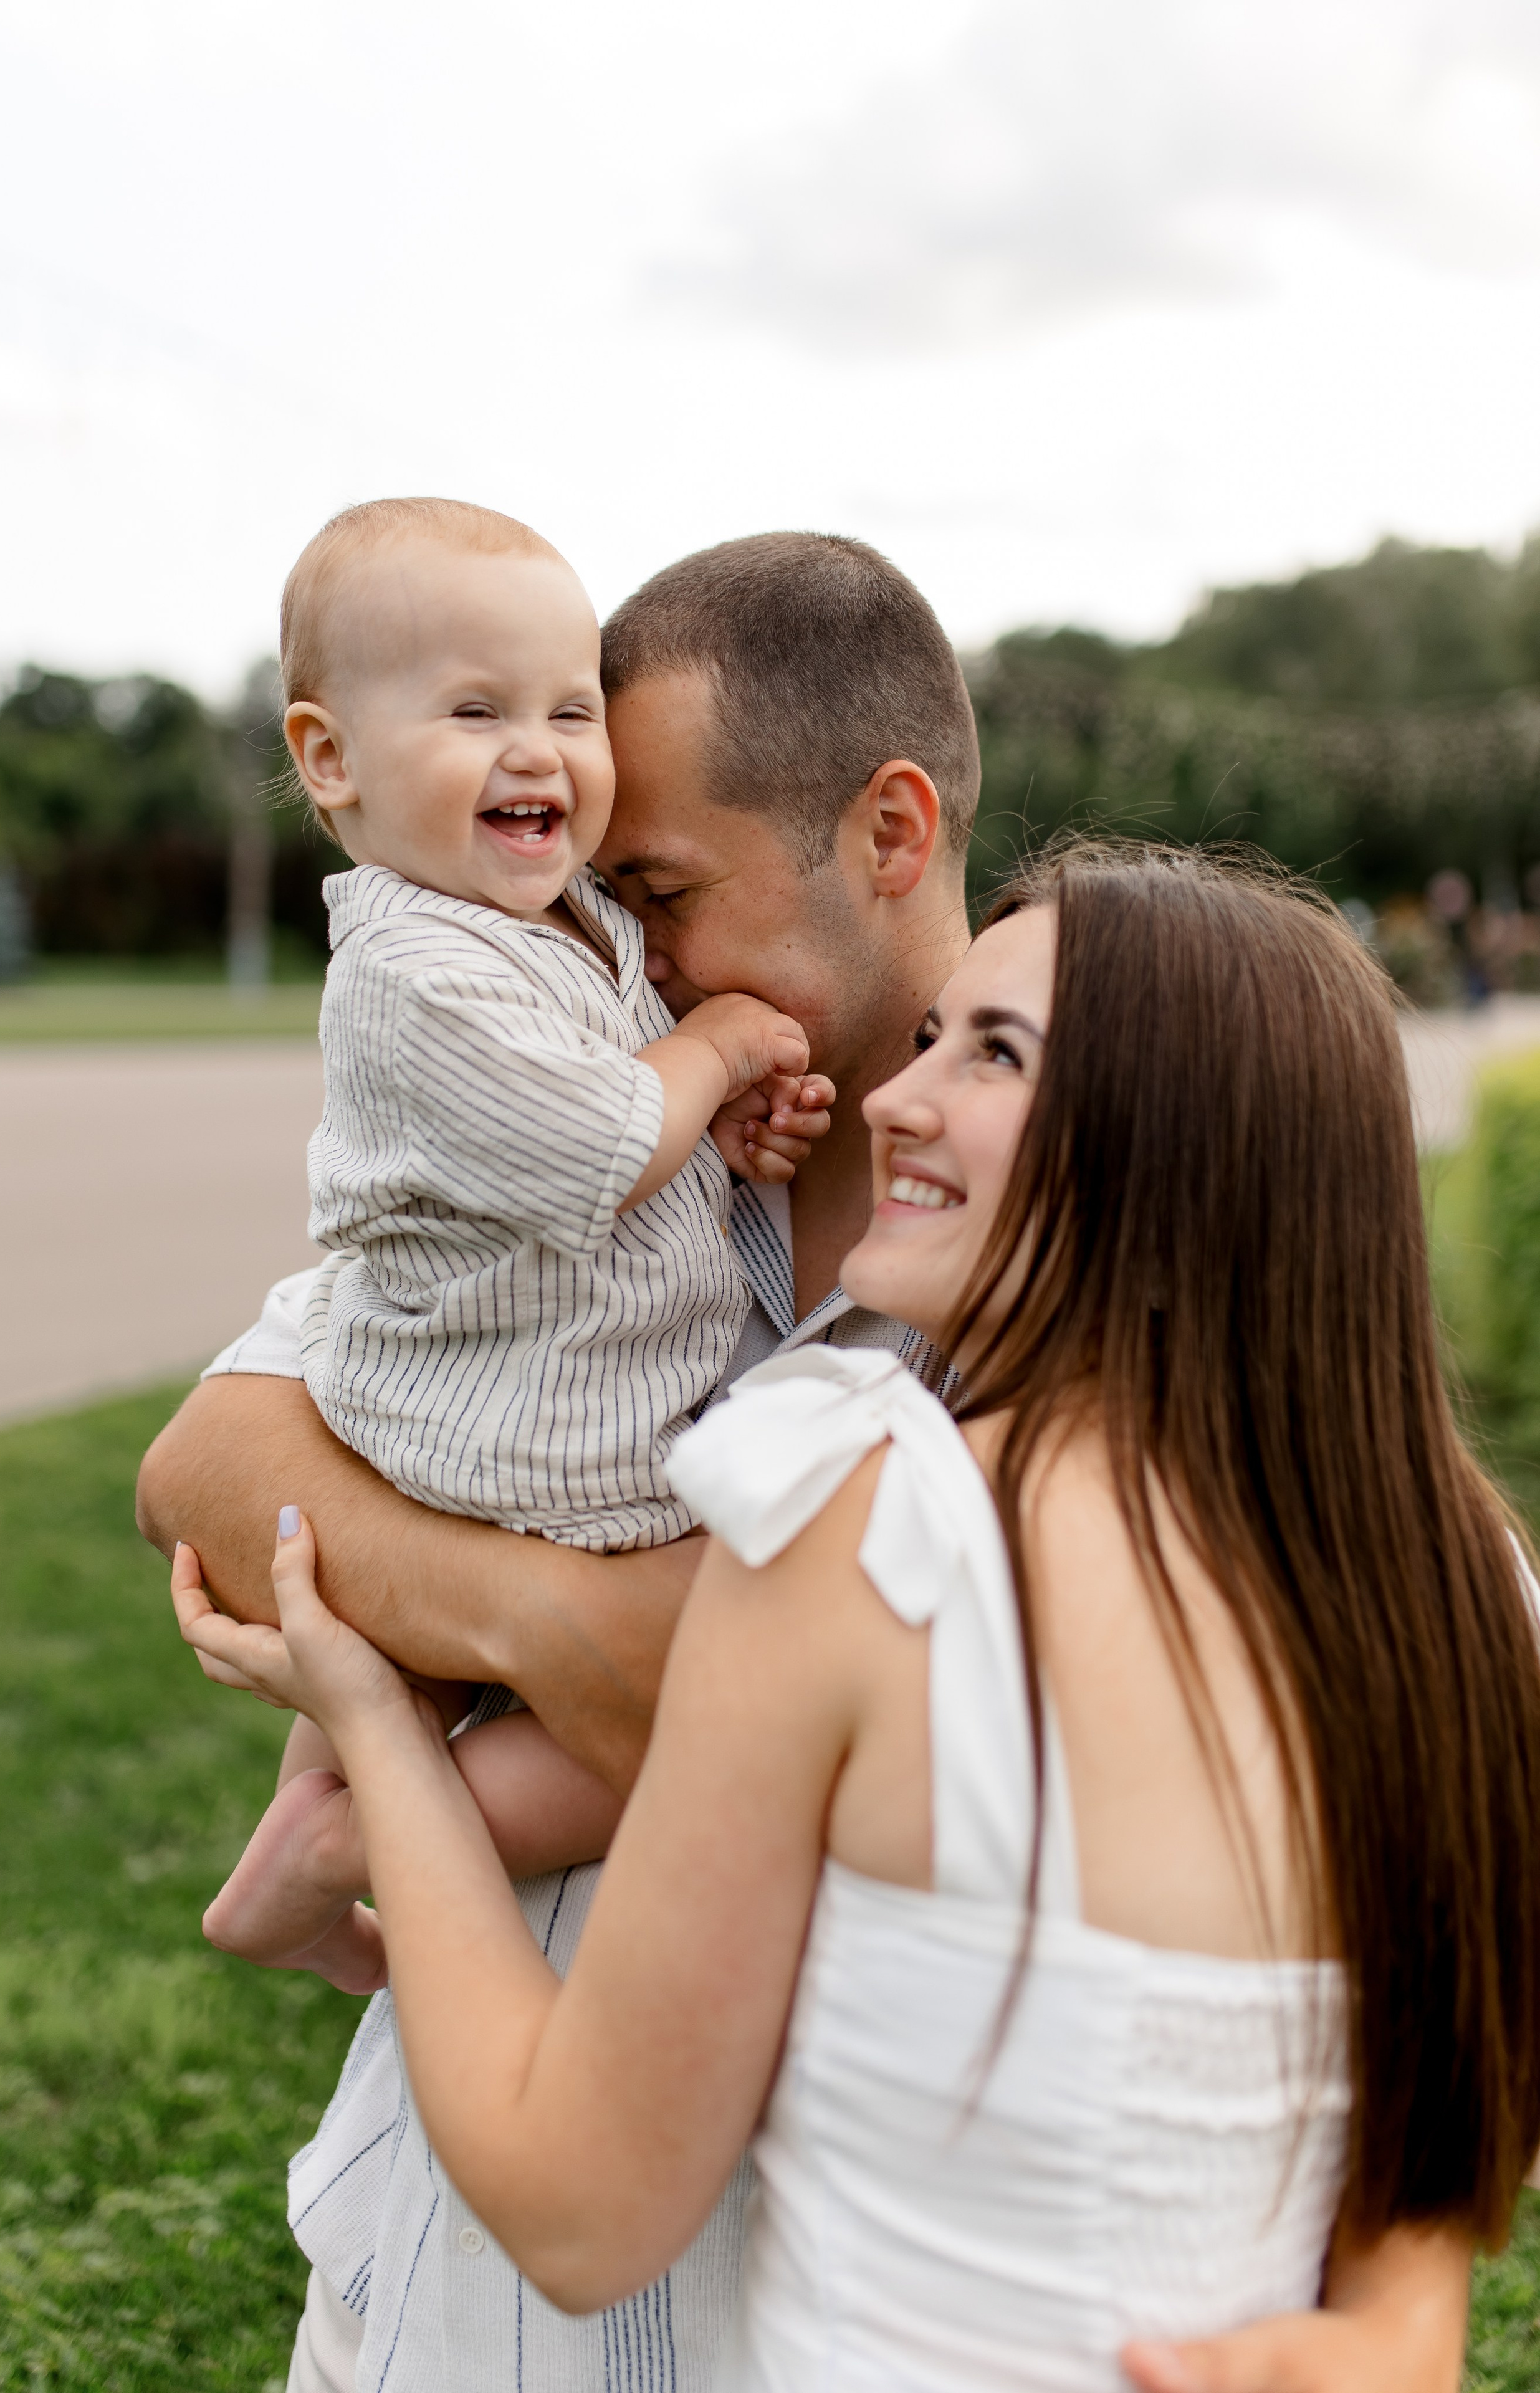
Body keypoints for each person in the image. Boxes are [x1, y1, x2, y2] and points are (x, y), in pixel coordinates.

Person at [137, 533, 1477, 2393]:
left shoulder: (1066, 1280)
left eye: (658, 887)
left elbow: (1369, 1927)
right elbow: (213, 1455)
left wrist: (1404, 2314)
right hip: (461, 2290)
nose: (624, 947)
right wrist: (568, 1624)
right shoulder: (598, 1124)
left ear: (892, 832)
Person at [200, 497, 833, 1998]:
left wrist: (721, 1129)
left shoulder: (561, 923)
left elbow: (630, 1114)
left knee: (407, 1685)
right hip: (539, 1446)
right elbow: (601, 1141)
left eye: (567, 709)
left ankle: (295, 1852)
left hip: (494, 1403)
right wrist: (728, 1044)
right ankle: (338, 1857)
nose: (538, 749)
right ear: (328, 757)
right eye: (475, 710)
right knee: (678, 1732)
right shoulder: (415, 969)